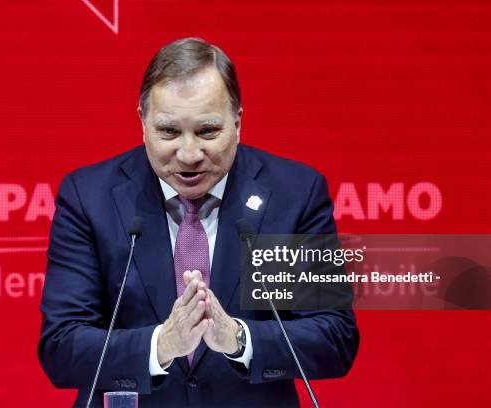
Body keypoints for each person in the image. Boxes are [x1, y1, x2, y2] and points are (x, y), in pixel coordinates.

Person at [38, 37, 359, 407]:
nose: (189, 154)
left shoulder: (292, 195)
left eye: (208, 131)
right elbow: (62, 348)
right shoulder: (89, 197)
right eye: (169, 132)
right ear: (142, 121)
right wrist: (162, 344)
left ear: (238, 122)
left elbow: (334, 339)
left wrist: (239, 339)